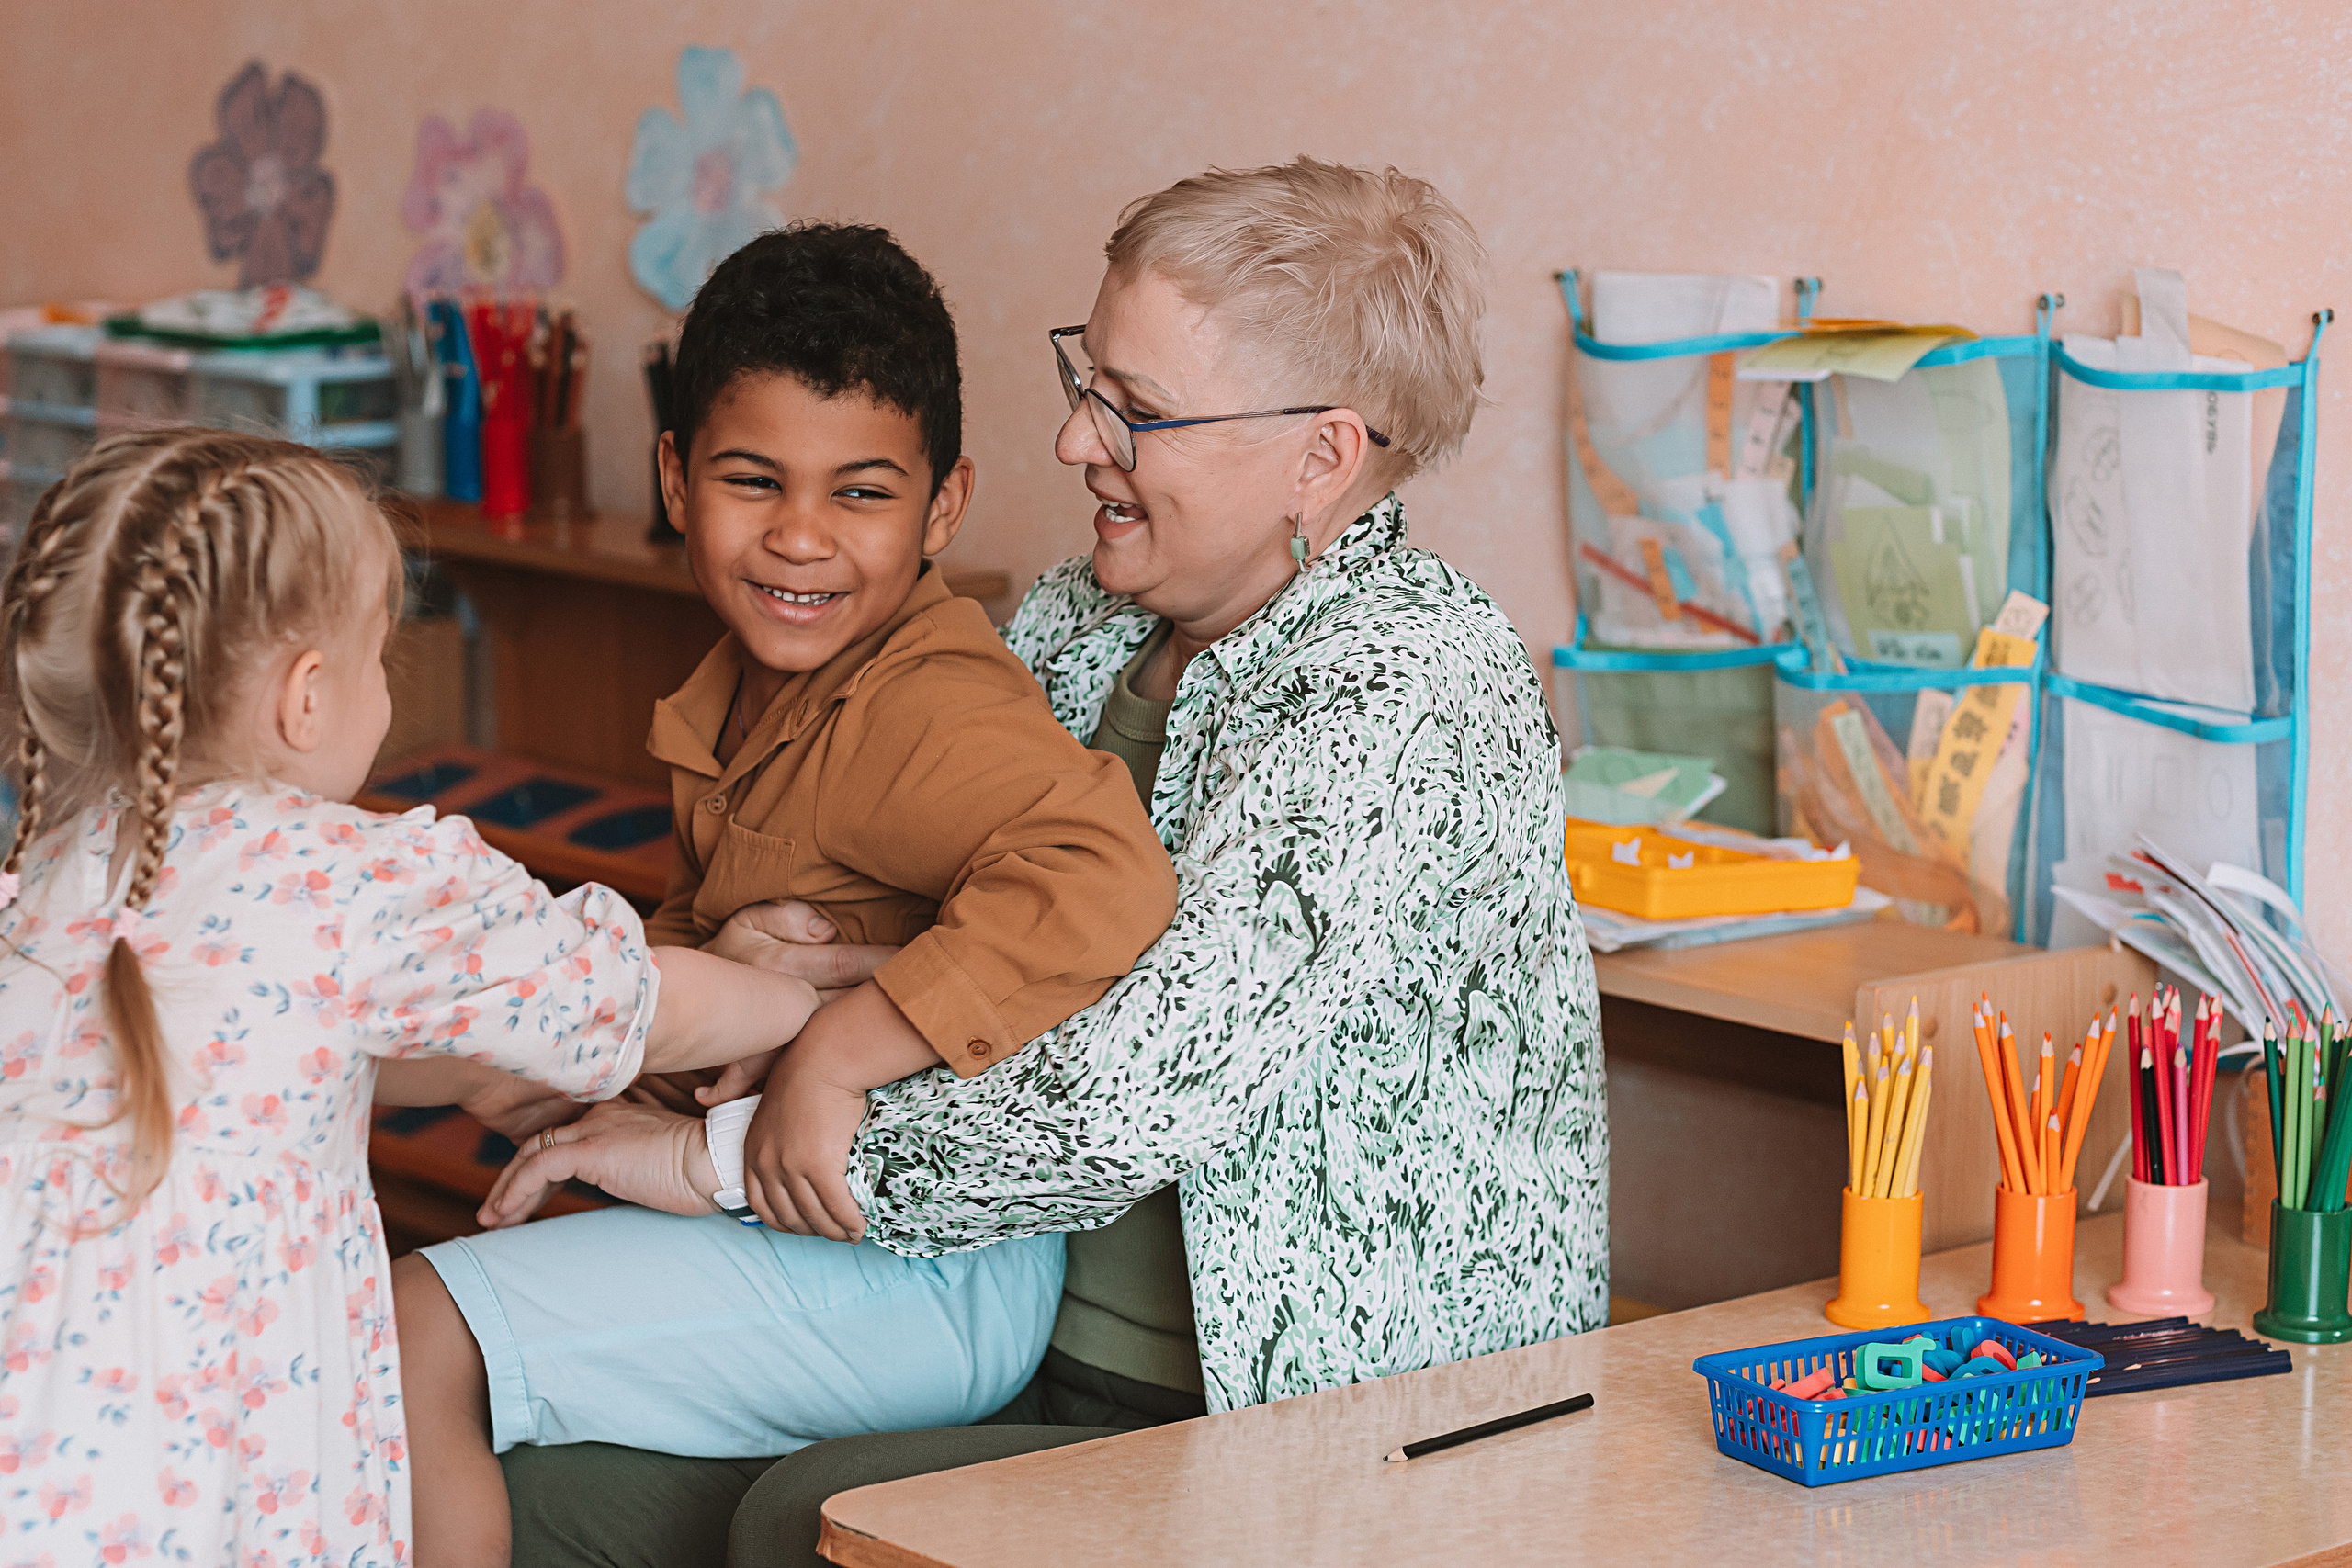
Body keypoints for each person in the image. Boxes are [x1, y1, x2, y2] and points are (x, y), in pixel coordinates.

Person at [491, 157, 1610, 1568]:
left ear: (1322, 455)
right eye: (1090, 378)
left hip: (1300, 1412)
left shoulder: (1407, 685)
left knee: (803, 1522)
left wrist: (712, 1152)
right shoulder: (1082, 615)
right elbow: (1012, 943)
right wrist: (819, 972)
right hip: (991, 1310)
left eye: (1135, 410)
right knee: (539, 1485)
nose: (1078, 440)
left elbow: (1130, 1088)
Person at [392, 223, 1178, 1568]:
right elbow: (713, 955)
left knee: (417, 1335)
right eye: (753, 479)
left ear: (943, 510)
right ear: (676, 480)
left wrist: (837, 1055)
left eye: (861, 494)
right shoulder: (746, 701)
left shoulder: (920, 702)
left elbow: (1102, 871)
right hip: (823, 1232)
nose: (801, 536)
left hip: (925, 1273)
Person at [0, 430, 831, 1566]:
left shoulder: (44, 878)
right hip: (222, 1431)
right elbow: (637, 1003)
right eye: (380, 655)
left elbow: (269, 1058)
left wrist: (480, 1069)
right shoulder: (354, 881)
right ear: (306, 697)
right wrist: (793, 1003)